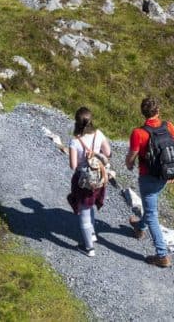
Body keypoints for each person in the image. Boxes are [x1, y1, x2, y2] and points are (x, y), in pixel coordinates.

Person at [125, 97, 174, 268]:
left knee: (151, 214)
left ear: (143, 113)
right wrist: (173, 170)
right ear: (158, 111)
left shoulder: (138, 133)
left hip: (148, 177)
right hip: (165, 175)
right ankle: (139, 227)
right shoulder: (169, 126)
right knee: (151, 205)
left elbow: (133, 154)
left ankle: (162, 255)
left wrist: (128, 164)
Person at [67, 107, 112, 256]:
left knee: (84, 211)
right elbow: (108, 153)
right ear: (90, 120)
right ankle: (92, 233)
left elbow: (73, 166)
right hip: (99, 177)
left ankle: (88, 248)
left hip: (84, 180)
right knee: (91, 204)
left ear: (76, 122)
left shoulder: (75, 142)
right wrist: (96, 154)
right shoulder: (98, 134)